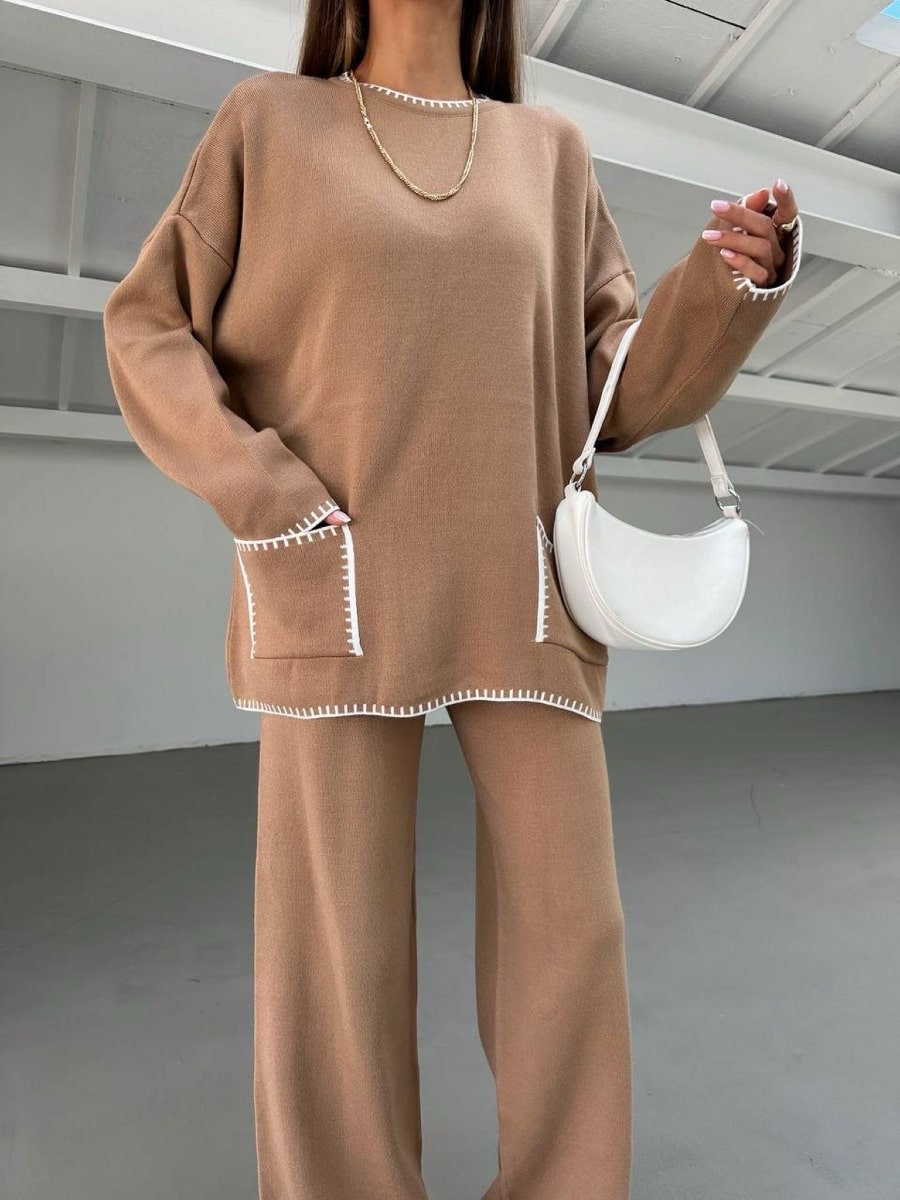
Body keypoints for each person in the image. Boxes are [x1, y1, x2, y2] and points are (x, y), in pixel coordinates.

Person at [102, 0, 803, 1195]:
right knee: (335, 951)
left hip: (524, 586)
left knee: (572, 928)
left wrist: (727, 285)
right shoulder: (267, 124)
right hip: (332, 571)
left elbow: (616, 389)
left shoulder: (550, 152)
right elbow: (148, 324)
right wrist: (266, 494)